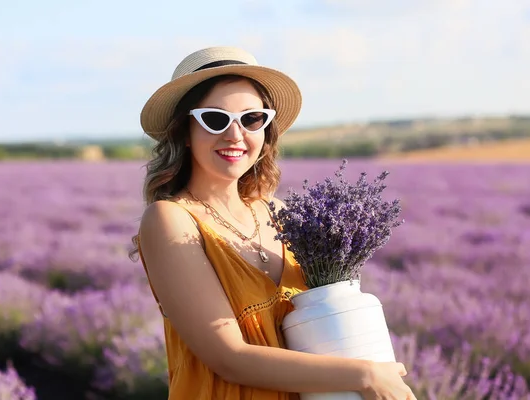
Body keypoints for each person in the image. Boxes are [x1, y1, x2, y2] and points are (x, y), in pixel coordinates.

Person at [133, 46, 417, 400]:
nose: (235, 135)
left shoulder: (279, 213)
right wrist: (366, 375)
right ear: (184, 132)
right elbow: (228, 357)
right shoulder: (171, 220)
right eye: (216, 119)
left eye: (252, 119)